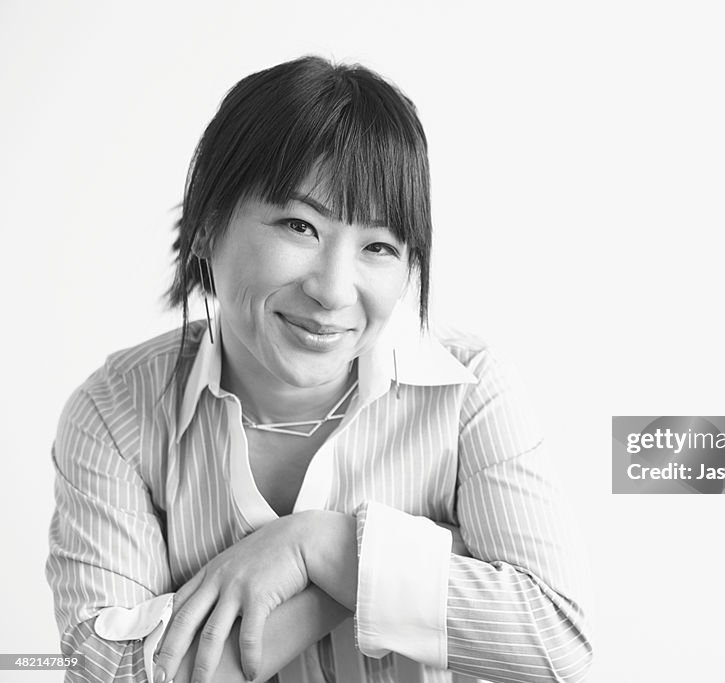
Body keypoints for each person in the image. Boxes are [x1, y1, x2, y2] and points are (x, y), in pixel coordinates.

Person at [46, 56, 592, 683]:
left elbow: (555, 639)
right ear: (204, 226)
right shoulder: (114, 413)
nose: (334, 291)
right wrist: (388, 566)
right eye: (299, 225)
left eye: (379, 247)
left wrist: (318, 547)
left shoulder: (469, 392)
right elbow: (107, 673)